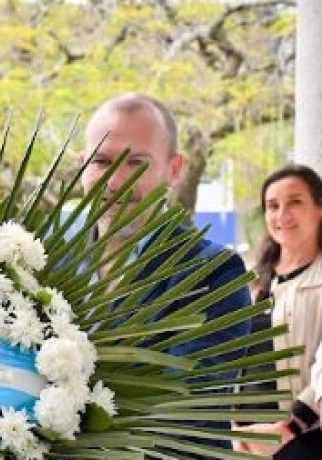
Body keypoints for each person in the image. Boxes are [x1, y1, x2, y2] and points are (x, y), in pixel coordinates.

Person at [80, 92, 252, 451]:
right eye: (101, 161)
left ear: (174, 169)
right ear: (82, 165)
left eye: (136, 163)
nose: (115, 182)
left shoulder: (214, 275)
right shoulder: (42, 262)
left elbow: (189, 410)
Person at [233, 164, 322, 457]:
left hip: (302, 441)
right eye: (273, 206)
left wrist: (289, 428)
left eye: (295, 202)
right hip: (244, 441)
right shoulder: (252, 279)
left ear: (319, 208)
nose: (282, 215)